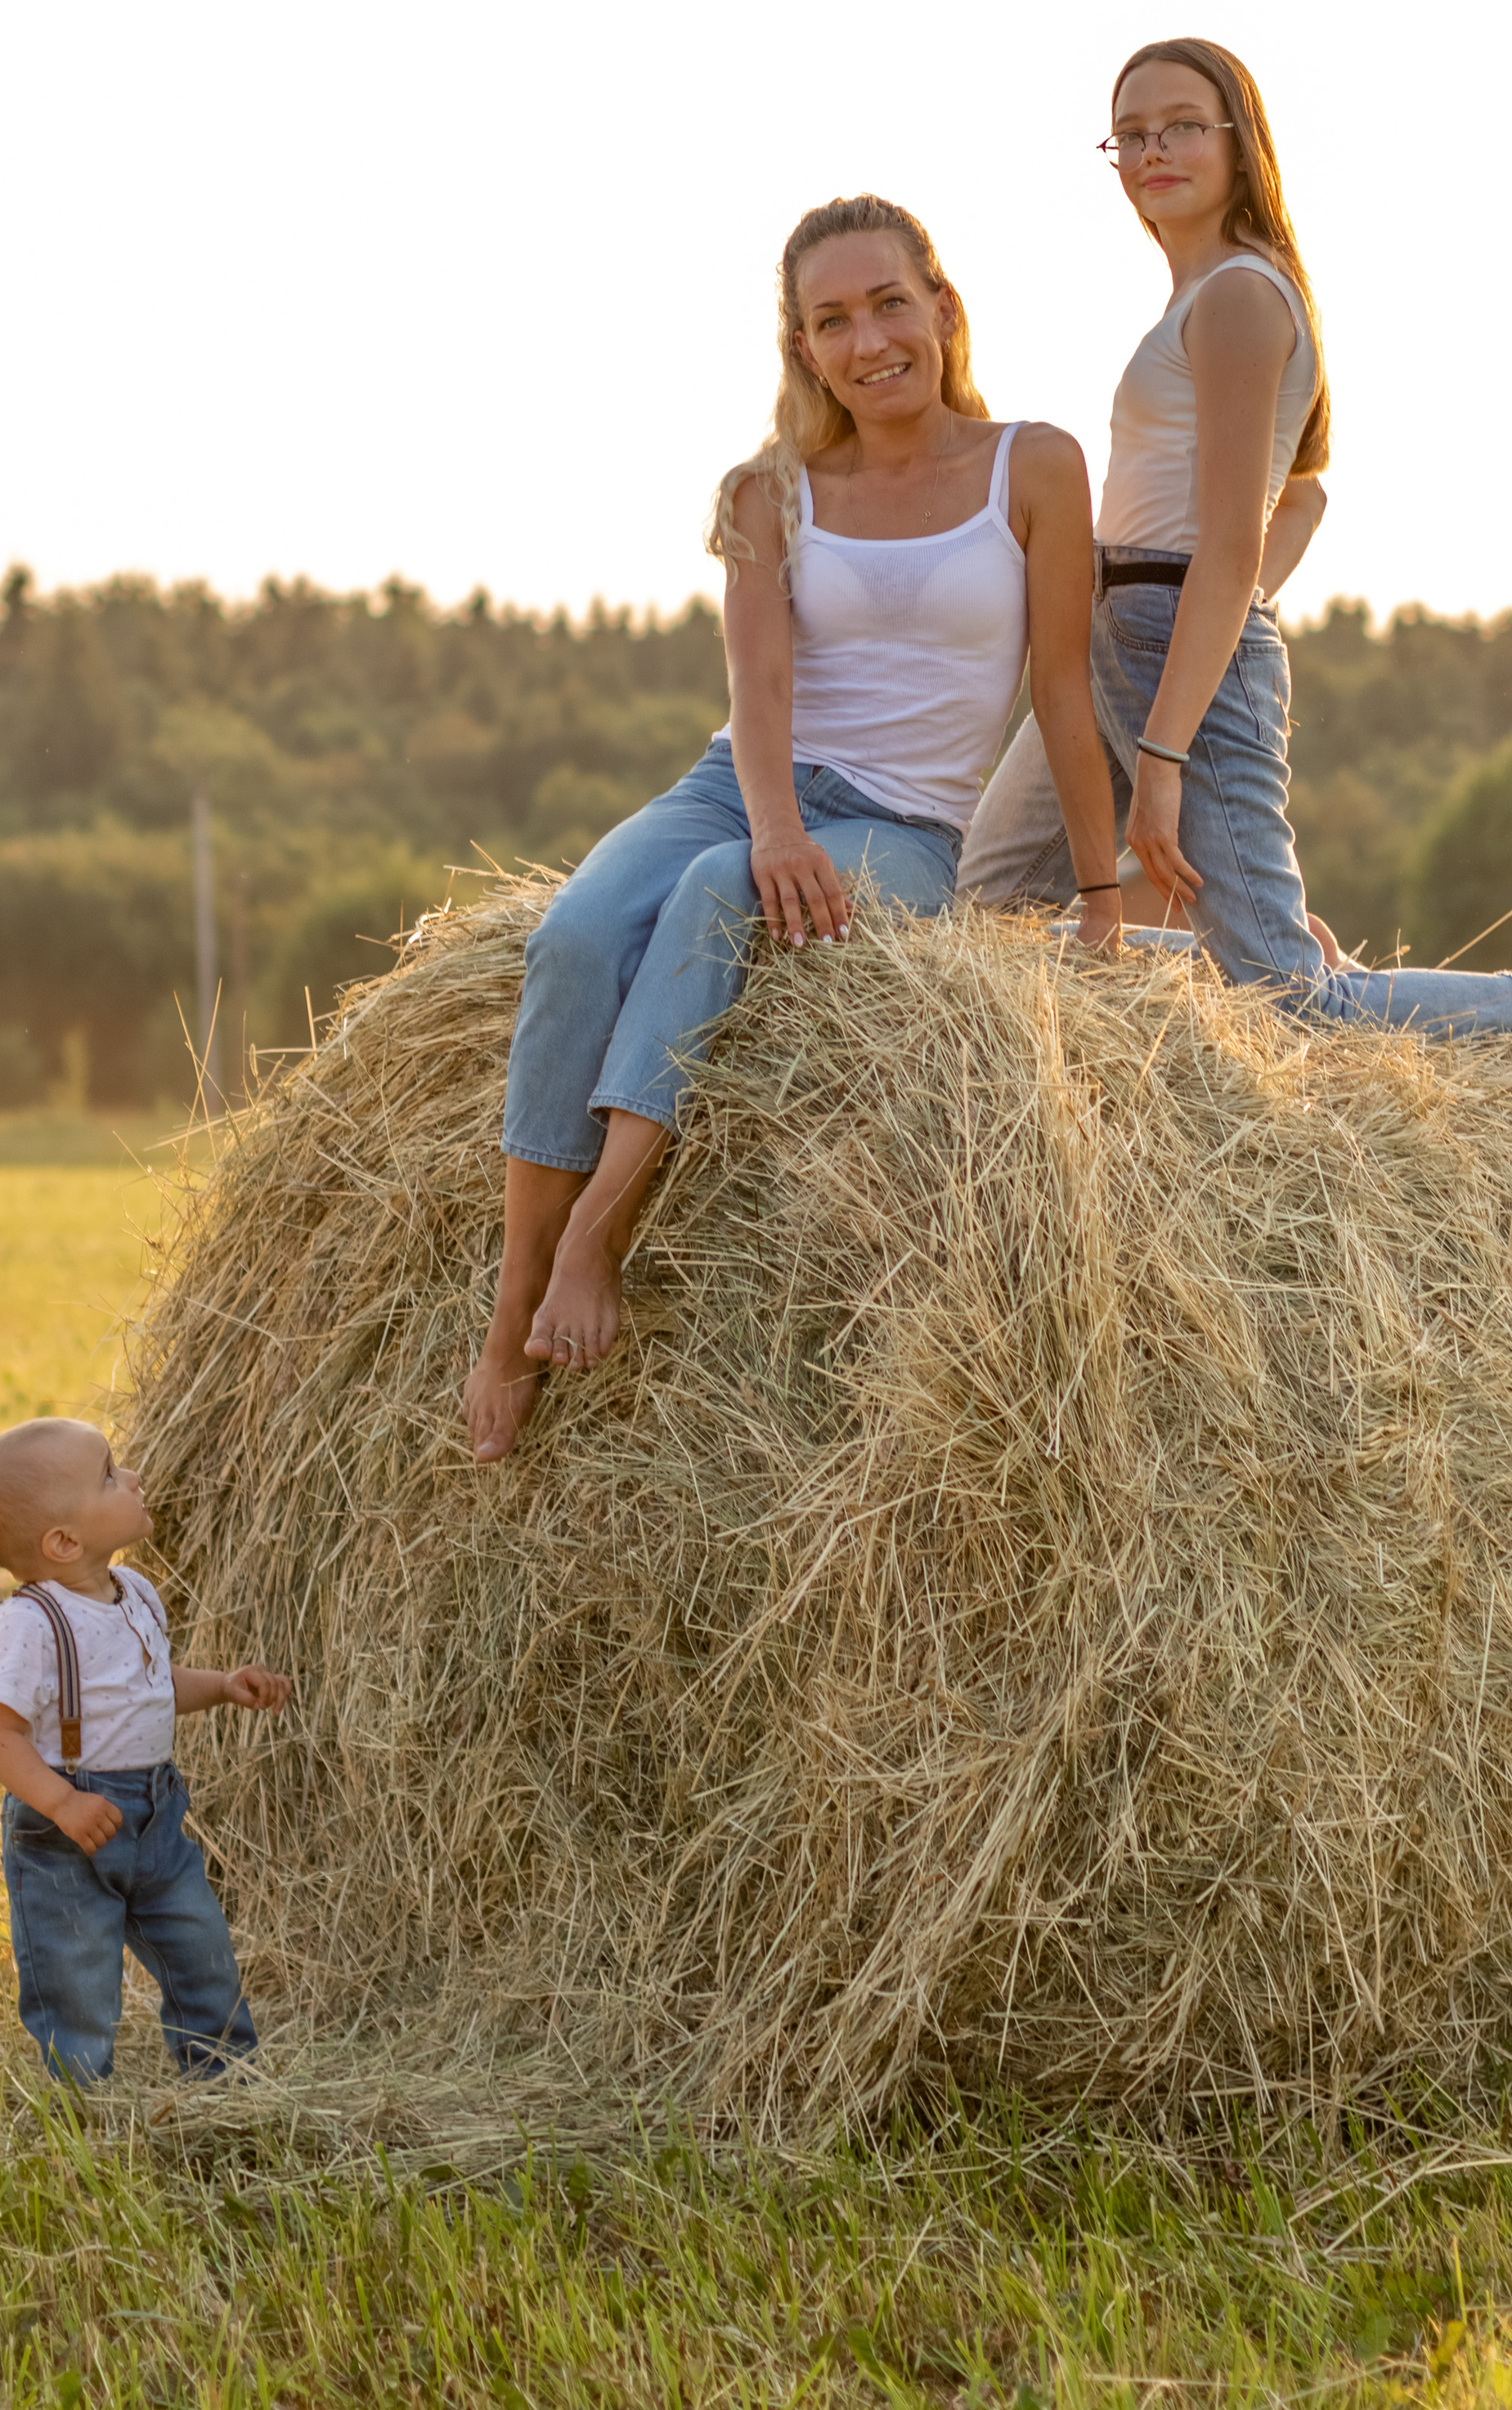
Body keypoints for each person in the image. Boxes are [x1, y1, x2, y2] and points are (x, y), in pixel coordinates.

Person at [461, 193, 1124, 1463]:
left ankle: (596, 1236)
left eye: (889, 304)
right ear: (803, 347)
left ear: (942, 307)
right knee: (575, 936)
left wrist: (1101, 897)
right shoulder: (769, 492)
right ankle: (510, 1309)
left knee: (718, 896)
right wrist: (773, 827)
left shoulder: (1035, 466)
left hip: (907, 827)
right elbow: (757, 689)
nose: (869, 341)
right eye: (834, 320)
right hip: (739, 786)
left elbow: (1060, 692)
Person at [960, 36, 1512, 1038]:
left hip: (1171, 644)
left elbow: (1229, 547)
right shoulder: (1203, 297)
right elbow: (1300, 497)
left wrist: (1165, 744)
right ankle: (1286, 947)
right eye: (1130, 134)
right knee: (988, 919)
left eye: (1181, 126)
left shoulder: (1239, 296)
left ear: (1239, 142)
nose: (1152, 150)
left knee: (1294, 1006)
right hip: (1118, 632)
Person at [0, 1415, 290, 2086]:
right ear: (63, 1541)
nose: (133, 1478)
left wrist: (223, 1686)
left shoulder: (135, 1593)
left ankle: (226, 2079)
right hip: (67, 1831)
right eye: (110, 1476)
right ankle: (82, 2099)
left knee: (200, 1947)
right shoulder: (28, 1624)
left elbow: (151, 1686)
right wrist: (62, 1803)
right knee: (75, 1973)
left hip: (155, 1815)